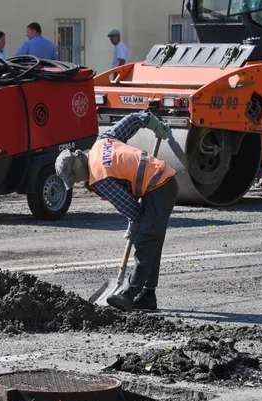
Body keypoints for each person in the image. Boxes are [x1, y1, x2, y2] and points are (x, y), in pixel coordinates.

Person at [54, 111, 176, 312]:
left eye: (75, 178)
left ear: (78, 165)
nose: (78, 182)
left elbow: (132, 211)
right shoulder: (102, 142)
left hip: (158, 187)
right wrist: (153, 124)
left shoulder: (99, 177)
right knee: (152, 240)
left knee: (145, 241)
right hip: (161, 181)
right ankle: (147, 296)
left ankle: (128, 294)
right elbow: (135, 119)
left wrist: (134, 226)